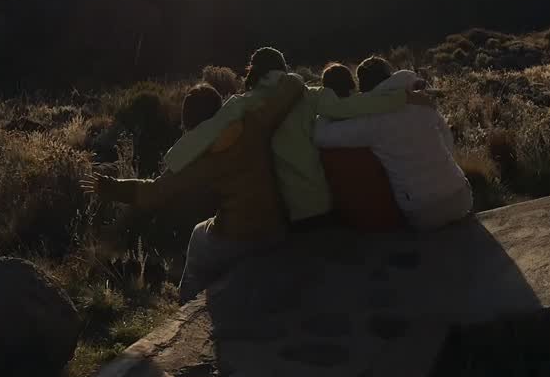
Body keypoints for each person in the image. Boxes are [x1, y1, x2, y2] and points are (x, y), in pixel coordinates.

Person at [84, 73, 304, 302]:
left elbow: (154, 193)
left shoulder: (201, 155)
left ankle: (188, 306)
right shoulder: (252, 120)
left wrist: (109, 187)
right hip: (277, 228)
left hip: (240, 237)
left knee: (199, 237)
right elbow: (295, 84)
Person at [162, 47, 430, 229]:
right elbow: (355, 106)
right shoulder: (310, 94)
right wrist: (405, 97)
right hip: (324, 204)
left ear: (254, 72)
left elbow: (205, 133)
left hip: (287, 215)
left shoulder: (242, 103)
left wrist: (172, 162)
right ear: (283, 69)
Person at [315, 57, 472, 230]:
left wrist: (330, 106)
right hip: (460, 197)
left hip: (423, 210)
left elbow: (321, 135)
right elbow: (447, 141)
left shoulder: (370, 121)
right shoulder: (420, 101)